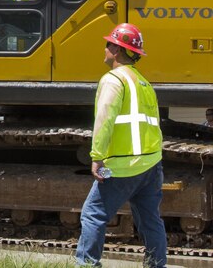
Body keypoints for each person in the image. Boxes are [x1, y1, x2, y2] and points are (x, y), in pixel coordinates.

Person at [75, 23, 166, 268]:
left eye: (108, 44)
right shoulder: (144, 83)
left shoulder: (113, 80)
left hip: (122, 166)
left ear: (116, 49)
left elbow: (104, 120)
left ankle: (86, 265)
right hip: (151, 164)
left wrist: (97, 157)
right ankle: (157, 265)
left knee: (93, 214)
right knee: (150, 220)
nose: (104, 48)